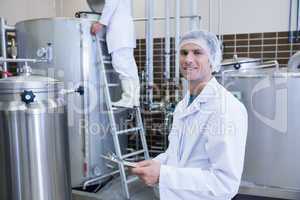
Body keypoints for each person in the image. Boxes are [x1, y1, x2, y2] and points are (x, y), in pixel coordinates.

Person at [131, 30, 248, 200]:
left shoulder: (226, 108)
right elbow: (176, 155)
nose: (188, 59)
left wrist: (163, 175)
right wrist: (157, 163)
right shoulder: (183, 106)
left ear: (212, 60)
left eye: (197, 53)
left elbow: (224, 184)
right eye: (184, 53)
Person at [91, 0, 140, 108]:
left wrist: (100, 23)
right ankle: (133, 99)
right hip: (124, 32)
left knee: (122, 66)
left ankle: (129, 99)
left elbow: (111, 2)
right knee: (129, 68)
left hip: (120, 33)